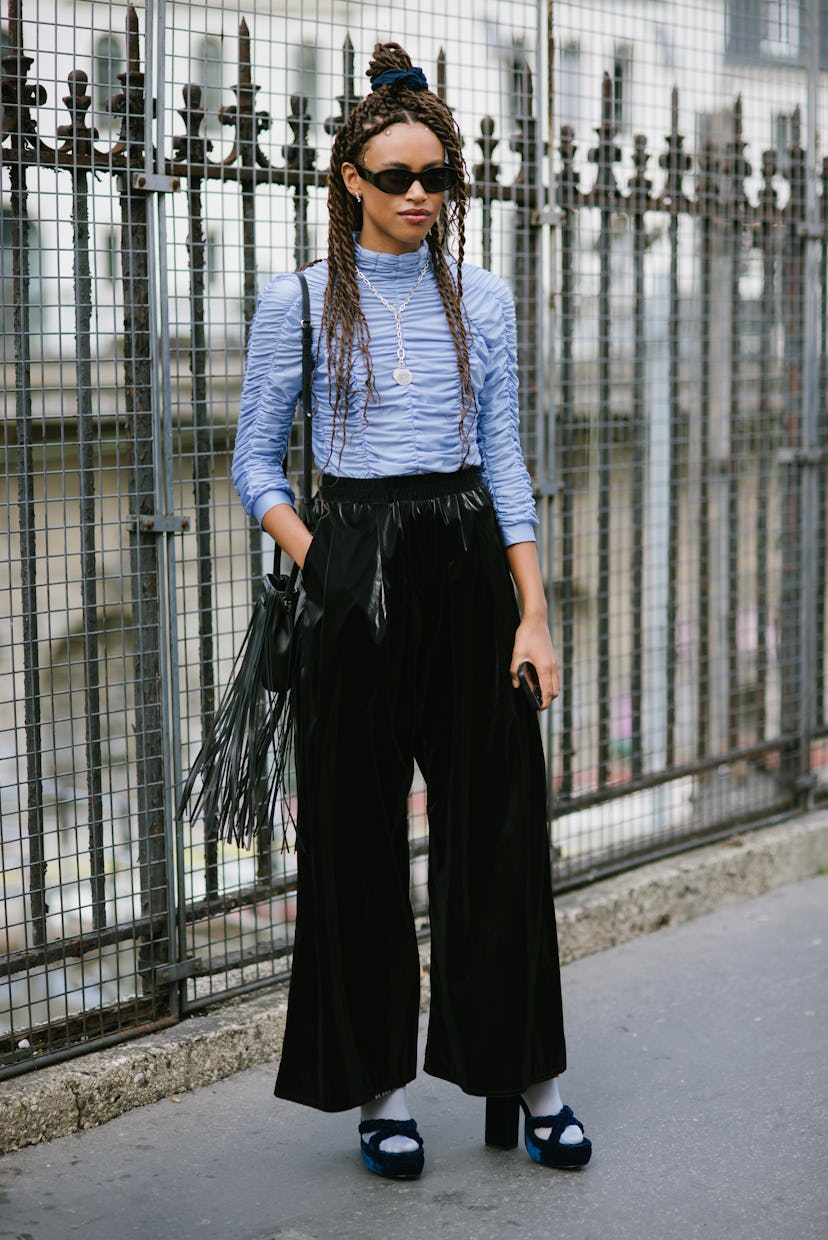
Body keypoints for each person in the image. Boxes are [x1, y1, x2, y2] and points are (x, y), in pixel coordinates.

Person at [232, 41, 591, 1179]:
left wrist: (534, 615)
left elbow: (503, 459)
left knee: (497, 825)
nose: (420, 197)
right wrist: (326, 556)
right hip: (354, 568)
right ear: (349, 179)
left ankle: (532, 1080)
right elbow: (254, 465)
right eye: (396, 178)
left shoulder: (480, 297)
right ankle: (379, 1091)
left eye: (437, 177)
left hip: (468, 562)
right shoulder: (294, 301)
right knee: (354, 834)